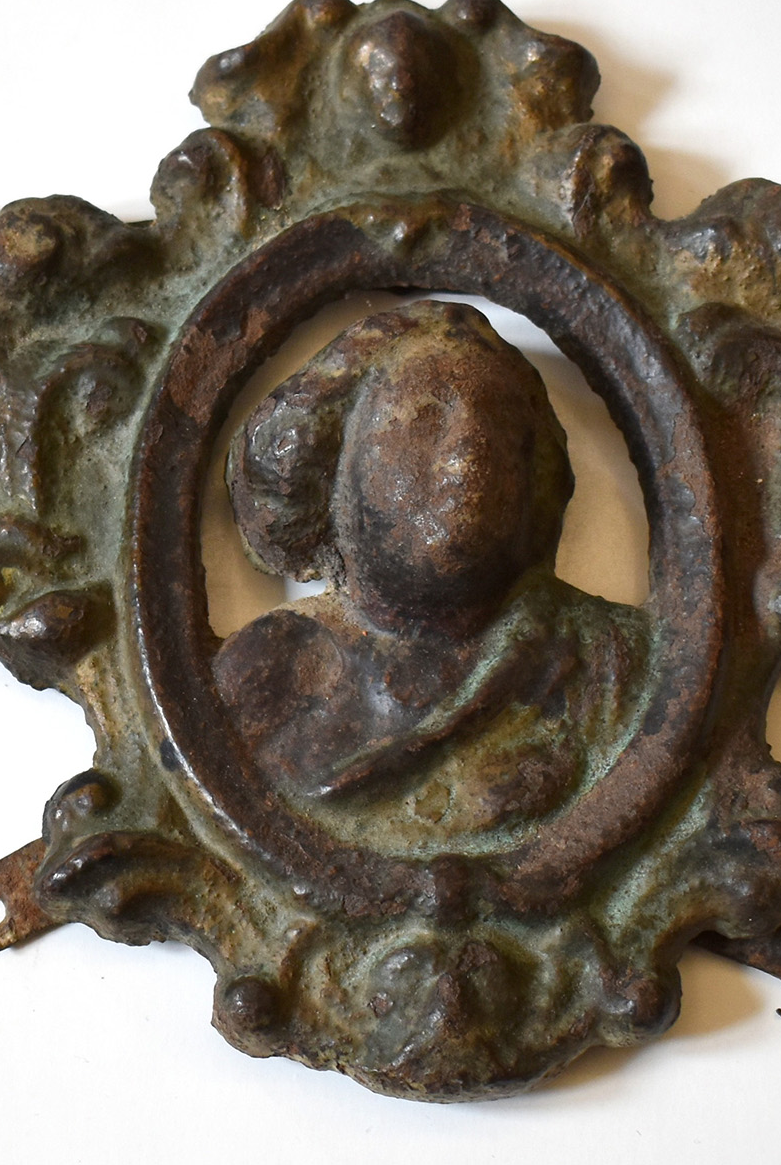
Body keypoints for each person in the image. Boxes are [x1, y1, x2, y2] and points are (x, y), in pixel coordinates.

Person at [214, 300, 650, 839]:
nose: (466, 461)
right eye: (423, 422)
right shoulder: (262, 678)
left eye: (498, 428)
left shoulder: (611, 668)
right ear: (332, 467)